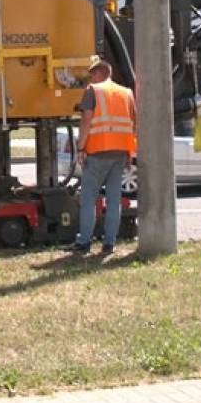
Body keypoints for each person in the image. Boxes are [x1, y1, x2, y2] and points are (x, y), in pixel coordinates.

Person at [67, 57, 136, 255]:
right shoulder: (126, 93)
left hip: (98, 151)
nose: (90, 79)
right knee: (114, 199)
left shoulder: (93, 91)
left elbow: (87, 120)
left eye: (92, 74)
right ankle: (109, 244)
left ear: (99, 73)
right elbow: (134, 122)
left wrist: (81, 148)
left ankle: (84, 242)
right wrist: (130, 152)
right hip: (120, 153)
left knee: (88, 198)